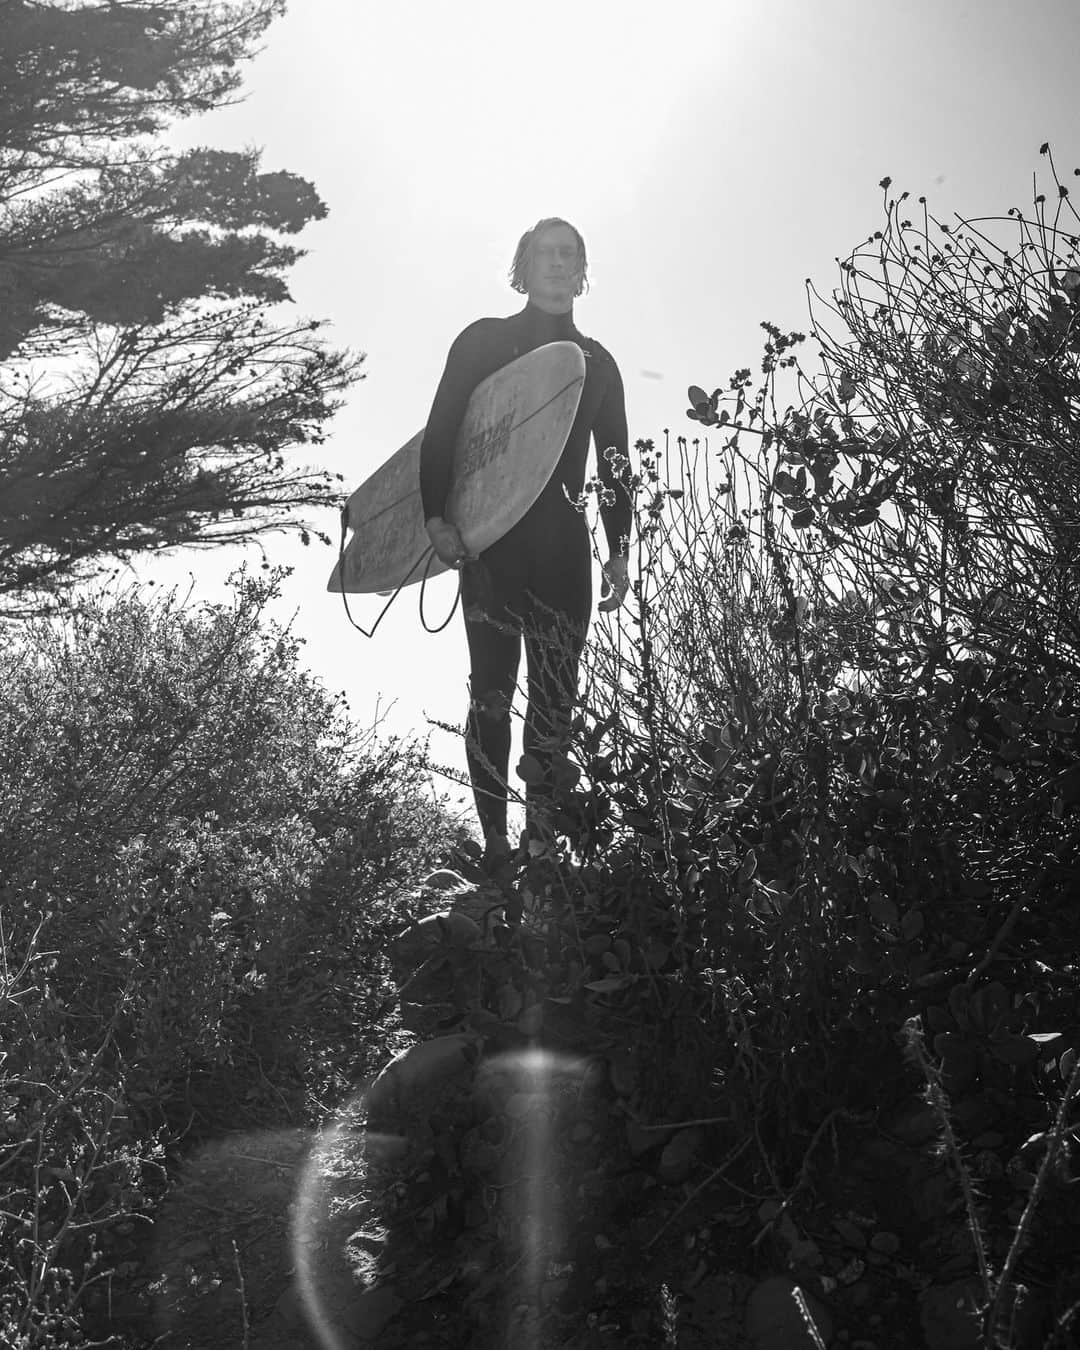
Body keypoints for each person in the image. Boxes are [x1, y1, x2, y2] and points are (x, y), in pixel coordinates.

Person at [419, 217, 632, 861]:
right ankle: (493, 845)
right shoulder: (483, 342)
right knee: (490, 694)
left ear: (583, 268)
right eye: (546, 252)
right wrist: (437, 517)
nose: (558, 263)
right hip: (493, 547)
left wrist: (618, 548)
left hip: (566, 552)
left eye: (570, 254)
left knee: (554, 703)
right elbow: (442, 432)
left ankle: (540, 844)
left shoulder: (599, 363)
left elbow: (615, 463)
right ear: (523, 262)